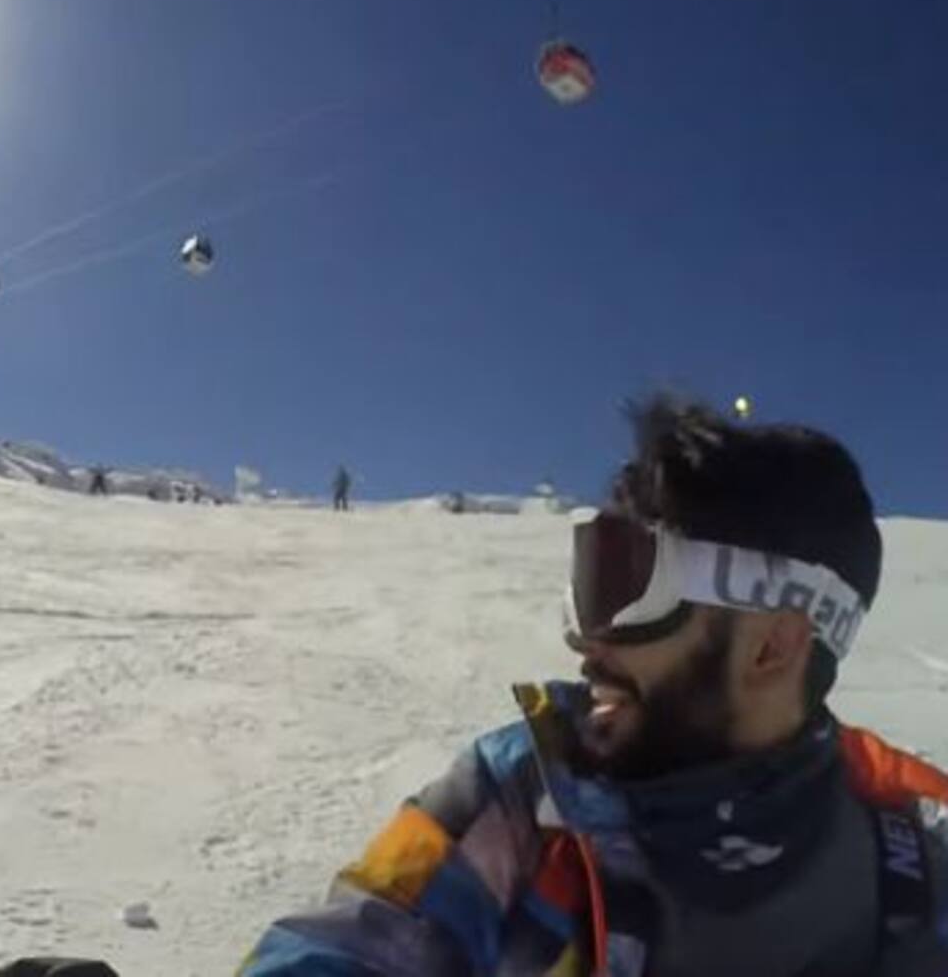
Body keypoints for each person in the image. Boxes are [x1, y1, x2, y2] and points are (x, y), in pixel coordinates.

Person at [238, 396, 948, 975]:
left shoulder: (911, 845)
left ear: (775, 644)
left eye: (630, 583)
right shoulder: (527, 796)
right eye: (594, 577)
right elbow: (360, 946)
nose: (589, 641)